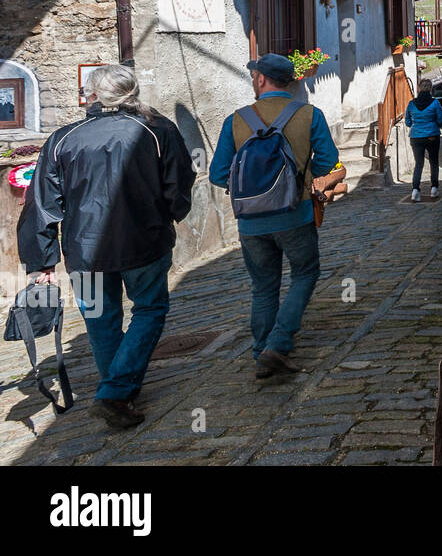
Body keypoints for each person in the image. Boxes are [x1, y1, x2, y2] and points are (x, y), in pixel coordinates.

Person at [16, 65, 195, 429]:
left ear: (93, 95)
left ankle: (118, 390)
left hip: (85, 251)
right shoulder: (157, 129)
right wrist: (173, 213)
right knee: (149, 310)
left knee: (101, 321)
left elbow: (42, 203)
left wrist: (42, 261)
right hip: (143, 242)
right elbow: (179, 183)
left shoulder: (64, 138)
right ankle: (116, 392)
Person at [209, 54, 339, 381]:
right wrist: (303, 181)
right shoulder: (310, 115)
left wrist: (252, 188)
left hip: (251, 223)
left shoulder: (236, 120)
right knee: (305, 273)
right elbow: (328, 162)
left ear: (262, 79)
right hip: (296, 214)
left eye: (254, 75)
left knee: (263, 287)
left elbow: (217, 173)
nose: (254, 80)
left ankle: (260, 353)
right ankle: (278, 345)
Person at [405, 78, 442, 201]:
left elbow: (407, 122)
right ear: (431, 89)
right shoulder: (435, 103)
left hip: (416, 137)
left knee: (419, 164)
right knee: (434, 162)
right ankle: (434, 189)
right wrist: (434, 126)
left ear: (419, 88)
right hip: (432, 135)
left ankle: (415, 190)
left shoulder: (411, 104)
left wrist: (416, 125)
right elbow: (441, 120)